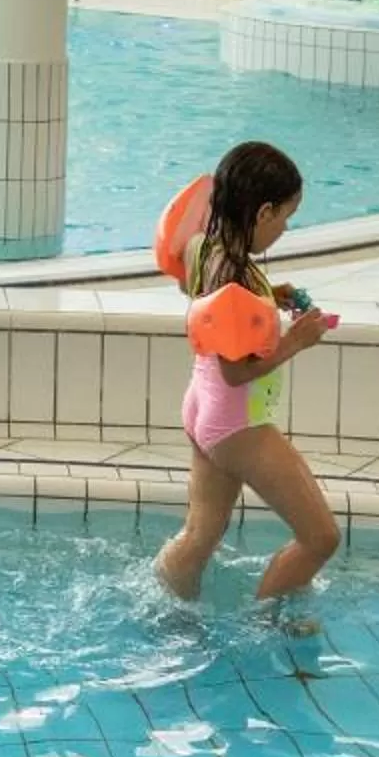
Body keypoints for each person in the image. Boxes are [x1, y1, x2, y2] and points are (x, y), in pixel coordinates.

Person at [153, 141, 339, 610]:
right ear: (262, 211)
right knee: (320, 538)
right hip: (237, 420)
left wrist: (267, 294)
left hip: (202, 408)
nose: (285, 228)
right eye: (284, 217)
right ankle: (267, 626)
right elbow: (237, 371)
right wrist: (296, 339)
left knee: (199, 536)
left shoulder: (205, 248)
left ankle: (164, 611)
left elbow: (205, 305)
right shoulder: (234, 275)